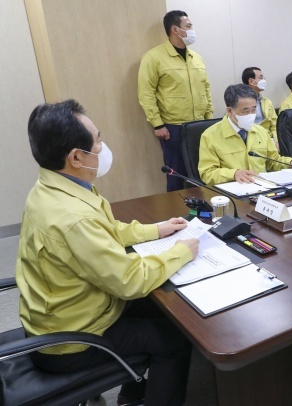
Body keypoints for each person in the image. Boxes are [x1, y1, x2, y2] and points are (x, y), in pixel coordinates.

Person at [17, 100, 199, 406]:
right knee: (176, 339)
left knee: (164, 307)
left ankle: (131, 392)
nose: (103, 148)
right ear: (76, 157)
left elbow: (107, 231)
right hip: (71, 340)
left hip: (64, 313)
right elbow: (129, 281)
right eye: (98, 141)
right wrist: (180, 252)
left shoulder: (54, 186)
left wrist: (156, 229)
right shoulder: (74, 217)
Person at [138, 10, 213, 192]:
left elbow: (206, 89)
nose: (192, 30)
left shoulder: (196, 57)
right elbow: (146, 92)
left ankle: (203, 207)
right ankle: (176, 209)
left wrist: (209, 120)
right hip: (174, 128)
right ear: (175, 30)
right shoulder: (153, 57)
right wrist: (157, 124)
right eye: (189, 26)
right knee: (176, 175)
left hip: (200, 126)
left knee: (202, 173)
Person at [199, 84, 292, 184]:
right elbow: (207, 173)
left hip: (261, 188)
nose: (251, 115)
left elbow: (272, 161)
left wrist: (291, 163)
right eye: (245, 111)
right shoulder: (210, 136)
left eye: (254, 109)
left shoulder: (261, 131)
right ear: (229, 111)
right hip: (232, 190)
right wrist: (234, 174)